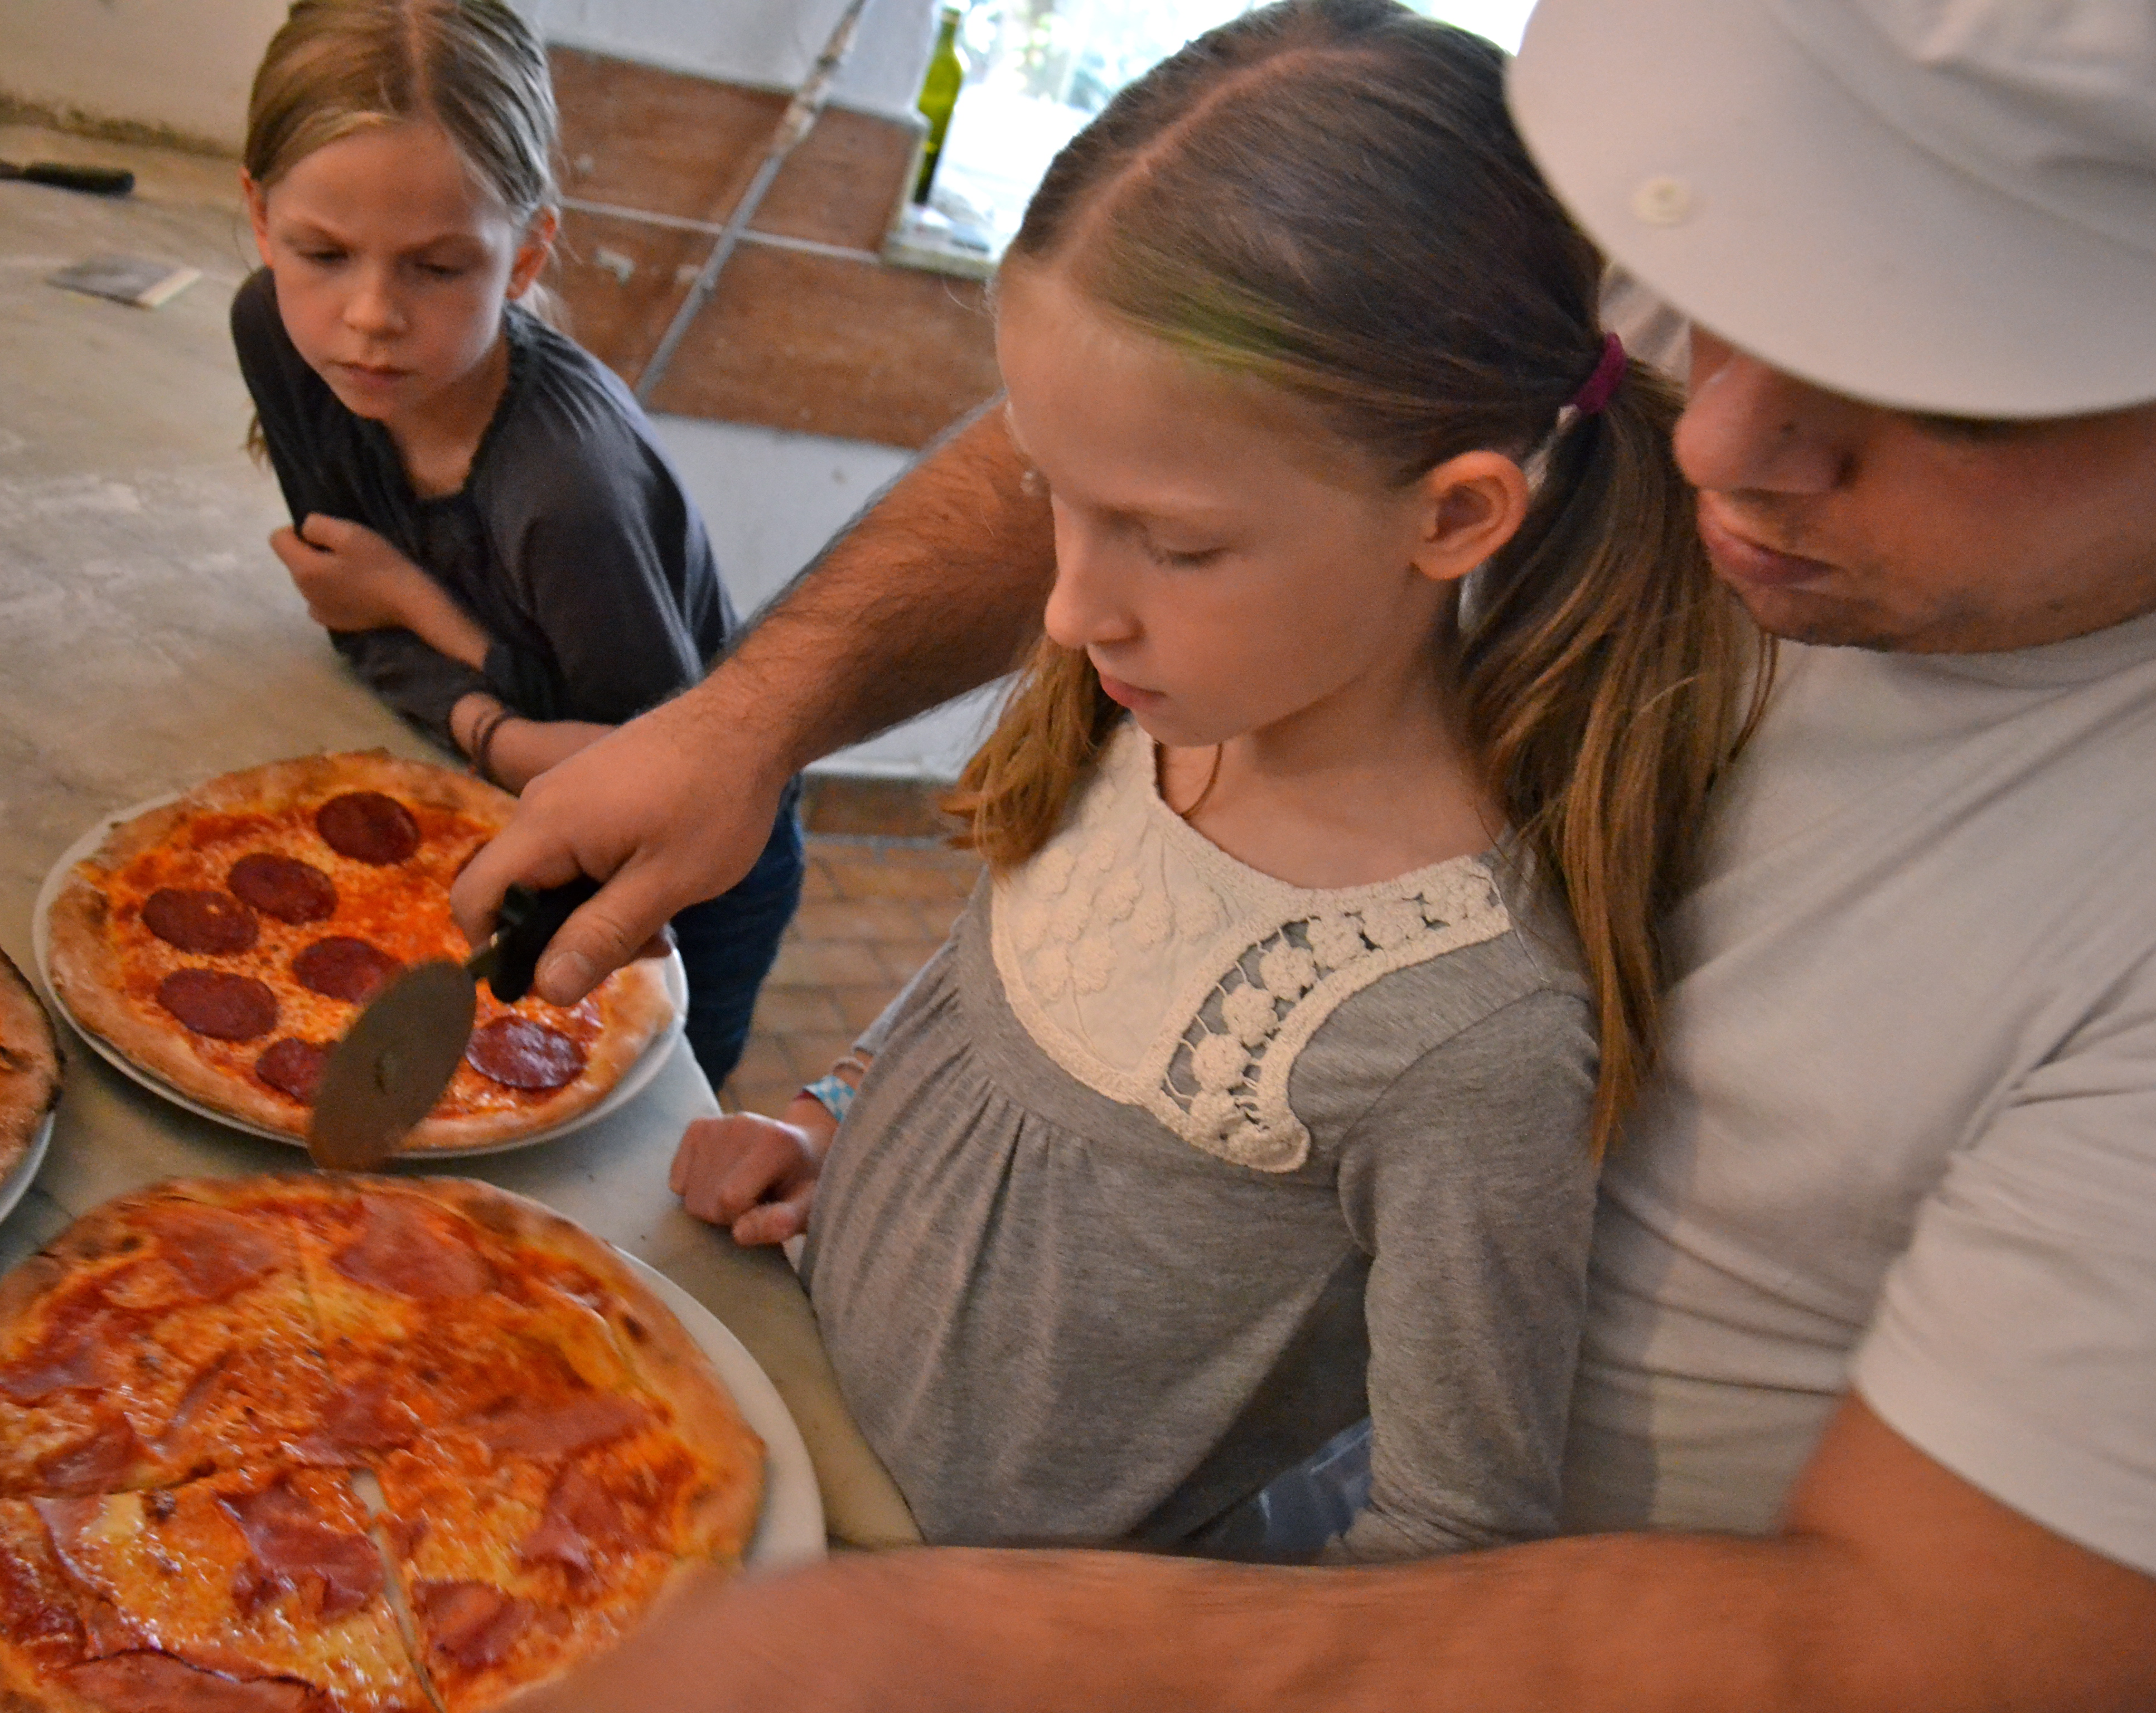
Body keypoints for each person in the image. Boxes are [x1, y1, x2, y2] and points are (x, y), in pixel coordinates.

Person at [462, 0, 2156, 1705]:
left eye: (1944, 394)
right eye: (1723, 297)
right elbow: (1167, 444)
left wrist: (989, 1653)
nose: (1715, 432)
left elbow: (1960, 1643)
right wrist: (751, 736)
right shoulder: (1200, 693)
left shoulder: (1482, 1021)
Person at [670, 3, 1765, 1564]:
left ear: (1454, 515)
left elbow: (1452, 1532)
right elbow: (1010, 985)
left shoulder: (1467, 1035)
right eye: (1056, 499)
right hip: (763, 1427)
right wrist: (836, 1120)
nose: (1068, 607)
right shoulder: (1153, 706)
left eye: (1175, 544)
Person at [231, 0, 801, 1087]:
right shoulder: (273, 328)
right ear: (260, 218)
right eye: (321, 251)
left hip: (692, 880)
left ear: (529, 249)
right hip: (489, 797)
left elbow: (644, 787)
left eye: (436, 268)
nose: (368, 316)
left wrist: (415, 606)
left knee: (644, 1126)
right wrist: (471, 696)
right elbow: (345, 625)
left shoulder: (569, 490)